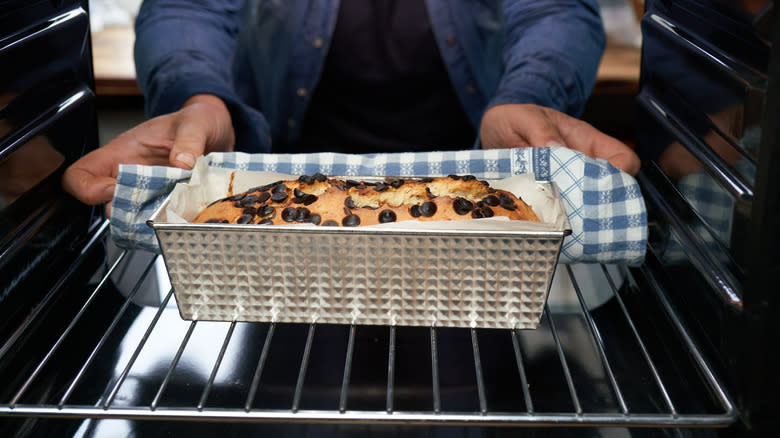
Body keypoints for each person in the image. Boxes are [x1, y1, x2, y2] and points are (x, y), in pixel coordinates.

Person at [63, 0, 641, 207]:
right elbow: (188, 9)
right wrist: (199, 95)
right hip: (284, 208)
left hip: (469, 201)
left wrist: (529, 95)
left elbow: (554, 10)